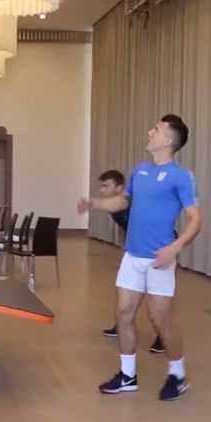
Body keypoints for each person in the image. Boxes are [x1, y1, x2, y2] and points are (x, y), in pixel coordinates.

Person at [78, 114, 201, 401]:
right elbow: (122, 201)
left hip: (159, 258)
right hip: (132, 255)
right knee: (123, 314)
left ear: (168, 140)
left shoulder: (181, 177)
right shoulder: (140, 170)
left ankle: (178, 375)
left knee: (160, 321)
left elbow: (195, 219)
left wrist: (174, 248)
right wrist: (94, 203)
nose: (149, 132)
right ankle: (128, 376)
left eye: (156, 129)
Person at [98, 170, 164, 354]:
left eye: (106, 186)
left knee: (156, 298)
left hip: (159, 249)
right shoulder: (115, 205)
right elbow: (126, 227)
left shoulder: (135, 202)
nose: (102, 190)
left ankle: (163, 337)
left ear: (119, 187)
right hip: (138, 248)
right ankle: (120, 325)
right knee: (123, 289)